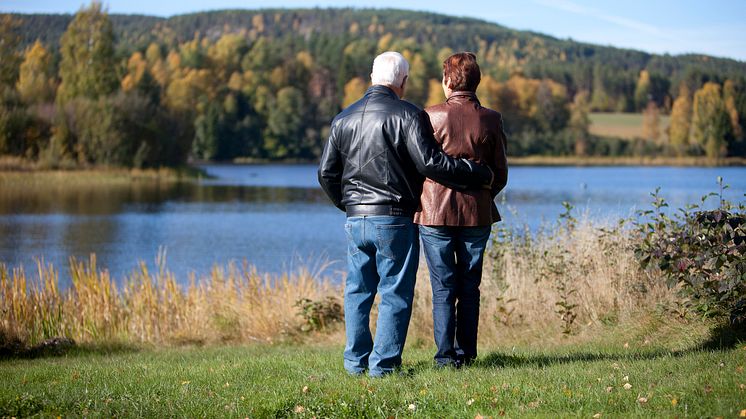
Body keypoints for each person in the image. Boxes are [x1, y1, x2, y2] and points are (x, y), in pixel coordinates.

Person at [318, 51, 493, 377]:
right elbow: (431, 164)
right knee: (394, 292)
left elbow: (327, 173)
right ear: (403, 81)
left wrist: (349, 205)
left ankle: (356, 364)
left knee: (357, 290)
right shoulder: (408, 114)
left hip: (356, 218)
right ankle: (383, 367)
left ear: (372, 77)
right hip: (395, 217)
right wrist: (475, 171)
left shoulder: (343, 118)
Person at [415, 52, 508, 368]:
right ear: (476, 82)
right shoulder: (492, 119)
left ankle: (444, 357)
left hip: (433, 214)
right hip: (476, 214)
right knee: (470, 286)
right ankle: (466, 354)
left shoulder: (429, 116)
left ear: (448, 81)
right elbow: (500, 173)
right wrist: (481, 193)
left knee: (443, 286)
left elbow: (421, 167)